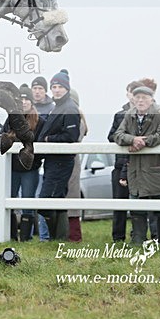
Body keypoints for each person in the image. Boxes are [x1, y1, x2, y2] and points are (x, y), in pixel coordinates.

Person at [113, 86, 160, 245]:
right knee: (137, 209)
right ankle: (138, 242)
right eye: (137, 97)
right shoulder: (129, 115)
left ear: (151, 99)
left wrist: (143, 142)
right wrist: (132, 140)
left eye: (144, 97)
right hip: (136, 171)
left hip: (157, 169)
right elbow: (118, 135)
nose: (140, 100)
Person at [107, 78, 156, 242]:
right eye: (130, 92)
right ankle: (118, 238)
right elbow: (111, 136)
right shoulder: (120, 115)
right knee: (119, 204)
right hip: (120, 163)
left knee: (142, 203)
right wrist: (131, 139)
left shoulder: (151, 115)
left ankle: (141, 236)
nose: (132, 96)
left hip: (140, 165)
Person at [36, 69, 80, 240]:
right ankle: (59, 238)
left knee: (47, 200)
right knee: (57, 198)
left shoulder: (69, 108)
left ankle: (57, 237)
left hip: (61, 162)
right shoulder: (59, 107)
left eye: (60, 86)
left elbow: (71, 137)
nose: (56, 90)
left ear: (67, 89)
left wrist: (47, 139)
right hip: (53, 161)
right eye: (54, 86)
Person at [0, 85, 45, 241]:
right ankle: (11, 235)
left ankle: (26, 237)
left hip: (30, 169)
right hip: (12, 167)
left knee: (27, 200)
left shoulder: (40, 121)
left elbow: (40, 143)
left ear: (32, 102)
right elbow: (2, 136)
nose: (24, 102)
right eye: (21, 99)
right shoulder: (11, 119)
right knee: (9, 198)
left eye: (27, 99)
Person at [66, 88, 88, 242]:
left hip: (72, 161)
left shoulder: (77, 120)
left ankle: (74, 235)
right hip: (65, 162)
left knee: (72, 197)